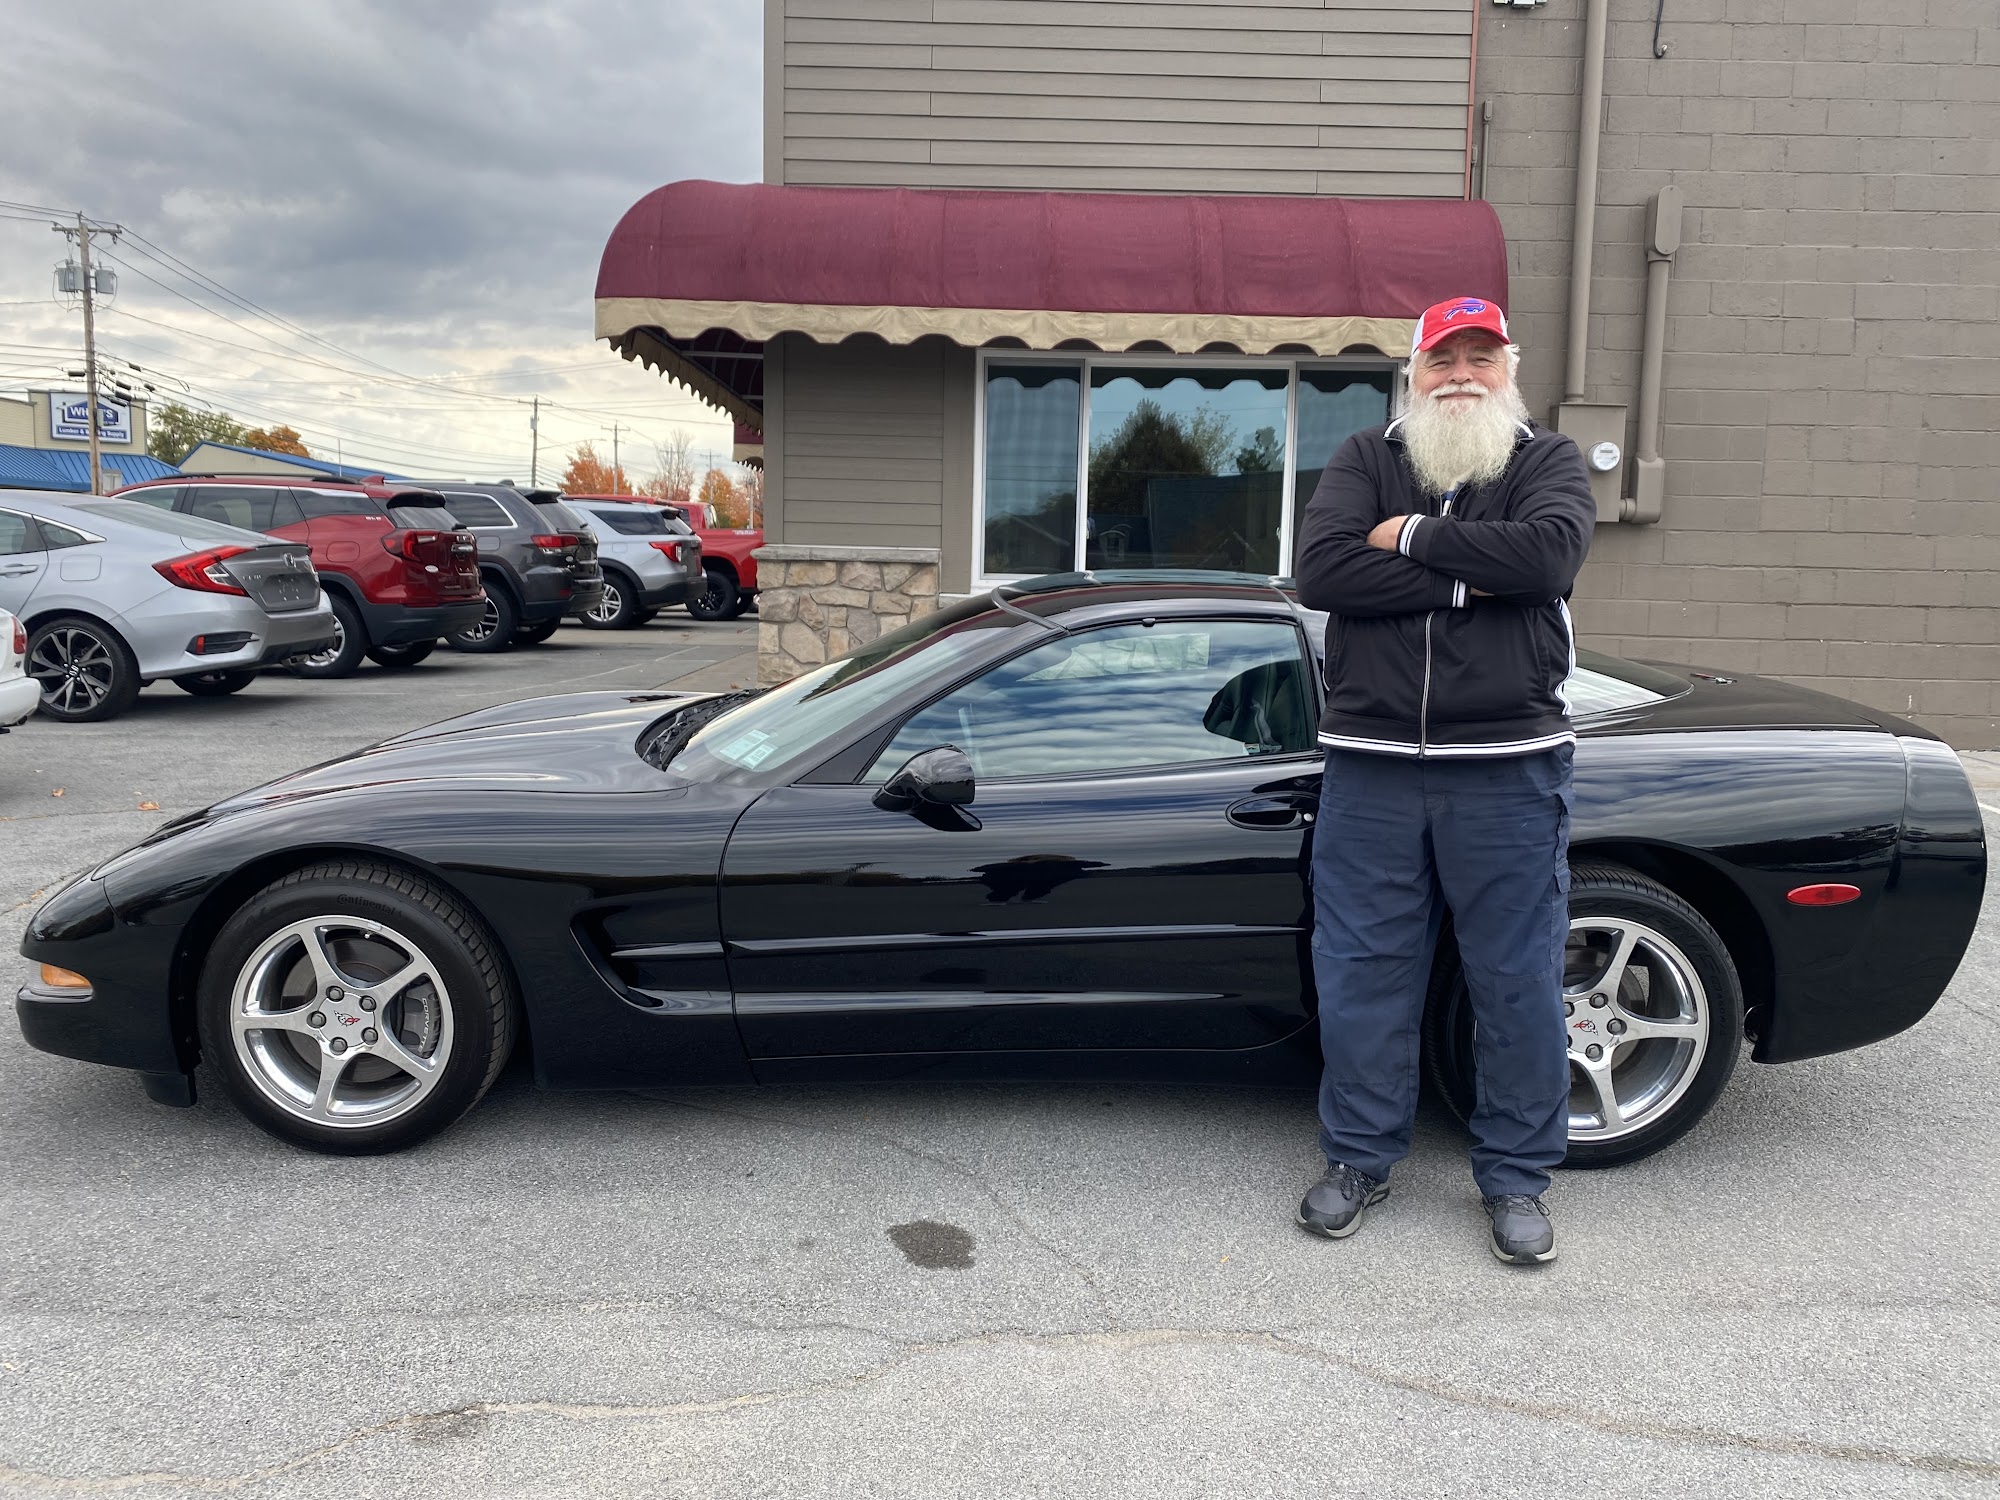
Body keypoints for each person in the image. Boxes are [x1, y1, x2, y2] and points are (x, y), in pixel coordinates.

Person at [1291, 296, 1597, 1265]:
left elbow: (1548, 557)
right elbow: (1323, 572)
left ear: (1508, 370)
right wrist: (1478, 577)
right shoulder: (1363, 457)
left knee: (1515, 981)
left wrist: (1410, 539)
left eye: (1480, 357)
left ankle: (1515, 1176)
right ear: (1412, 373)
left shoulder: (1545, 460)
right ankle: (1358, 1158)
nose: (1460, 375)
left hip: (1506, 769)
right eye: (1442, 359)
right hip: (1371, 765)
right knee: (1361, 974)